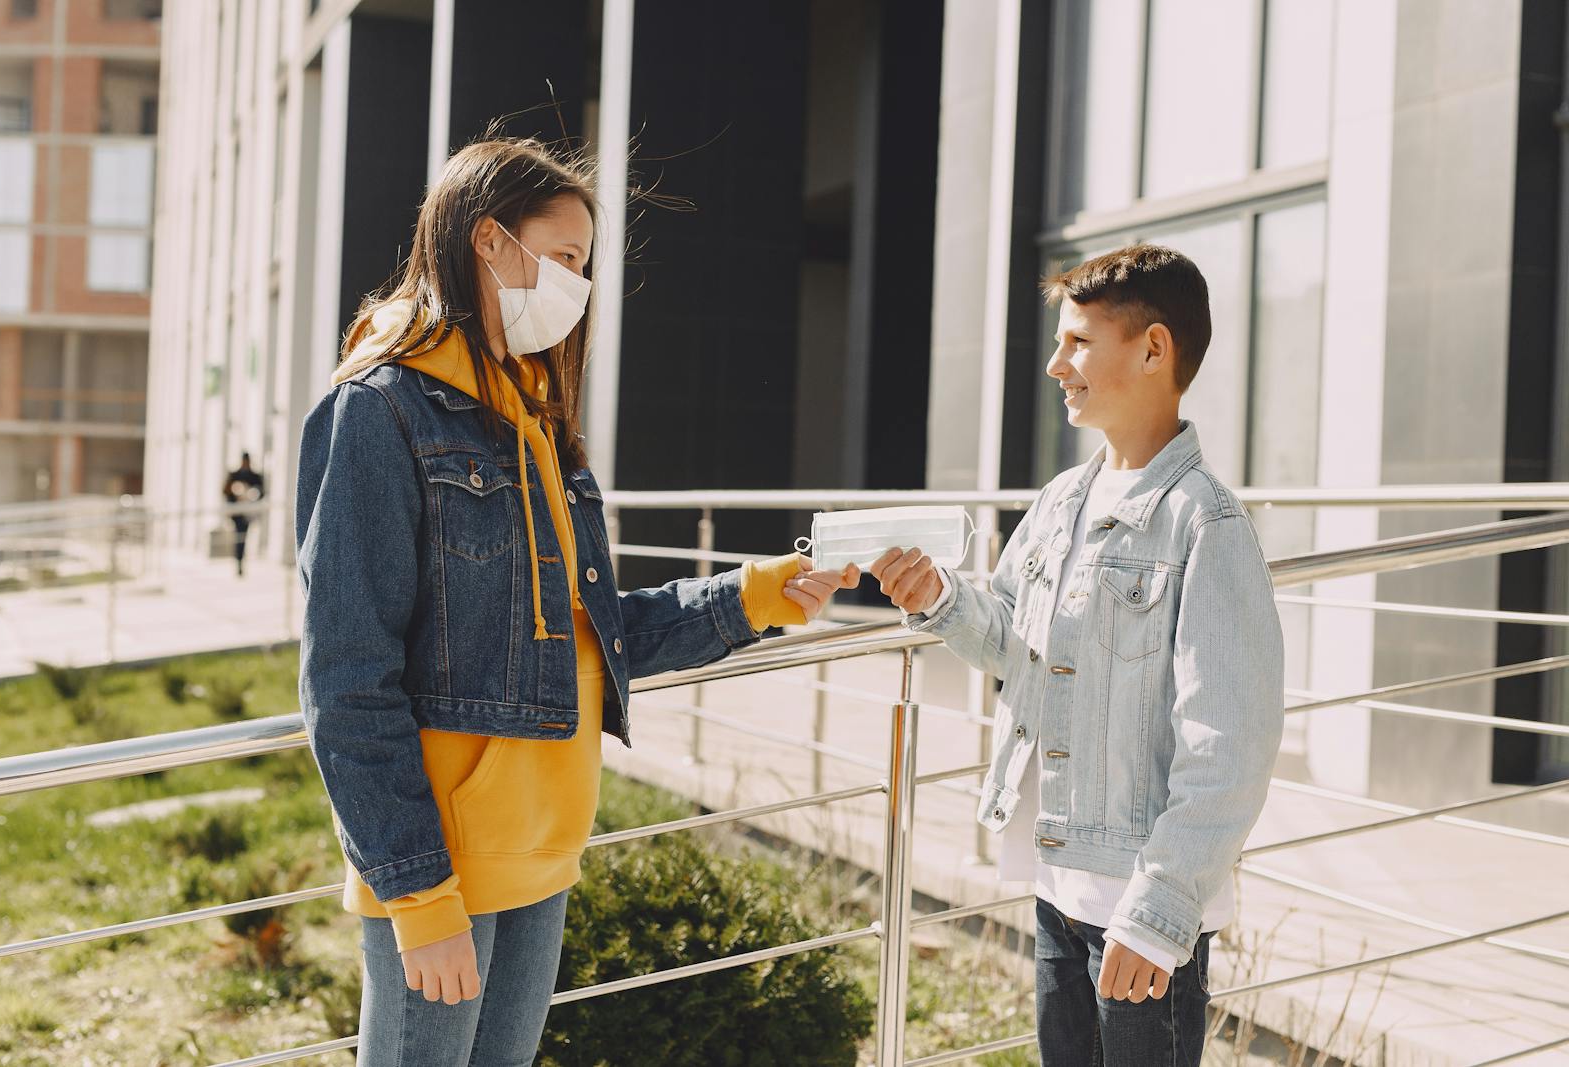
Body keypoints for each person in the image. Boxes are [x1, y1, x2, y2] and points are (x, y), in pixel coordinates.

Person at [294, 135, 858, 1066]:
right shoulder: (381, 408)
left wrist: (757, 594)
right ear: (487, 241)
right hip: (445, 869)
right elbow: (346, 675)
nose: (577, 286)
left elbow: (592, 635)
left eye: (584, 266)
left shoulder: (534, 418)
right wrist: (416, 889)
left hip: (545, 849)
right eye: (563, 258)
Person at [869, 245, 1283, 1066]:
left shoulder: (1207, 525)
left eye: (1079, 342)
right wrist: (939, 597)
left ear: (1154, 349)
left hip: (1141, 907)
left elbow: (1228, 744)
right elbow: (1015, 643)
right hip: (1058, 884)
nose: (1058, 364)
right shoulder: (1064, 497)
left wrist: (1161, 911)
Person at [222, 452, 264, 577]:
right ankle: (239, 563)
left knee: (243, 538)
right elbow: (225, 491)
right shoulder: (234, 475)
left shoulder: (255, 476)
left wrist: (251, 494)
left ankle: (241, 561)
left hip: (248, 513)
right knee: (238, 538)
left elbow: (261, 492)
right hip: (237, 514)